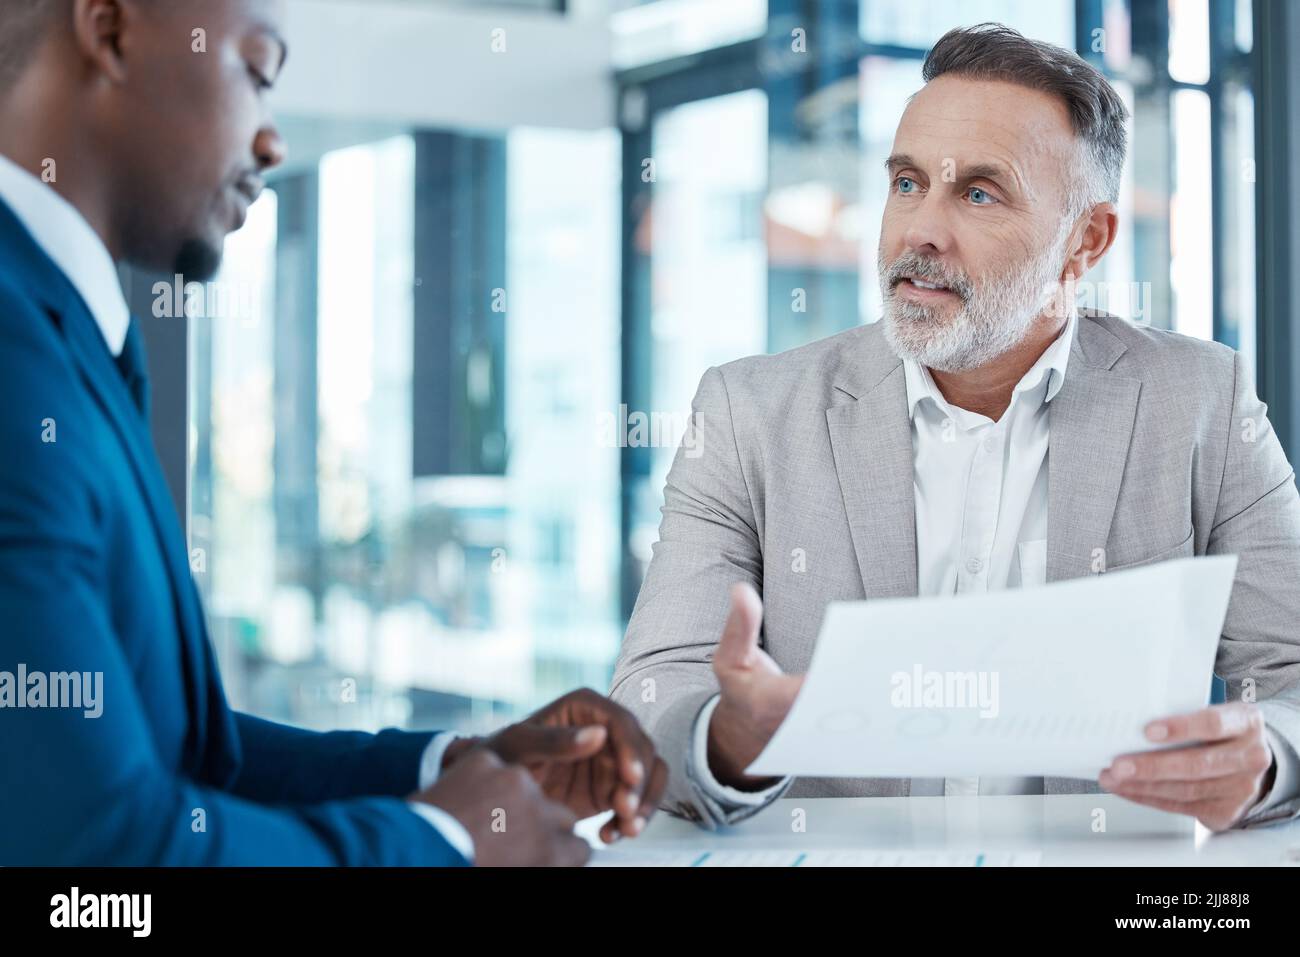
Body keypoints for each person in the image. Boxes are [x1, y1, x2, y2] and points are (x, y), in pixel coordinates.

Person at [0, 0, 665, 866]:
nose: (271, 142)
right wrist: (446, 842)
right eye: (257, 70)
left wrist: (462, 770)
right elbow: (95, 861)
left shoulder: (61, 329)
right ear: (112, 30)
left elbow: (176, 758)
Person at [611, 23, 1300, 833]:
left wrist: (1265, 760)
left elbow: (1290, 674)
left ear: (1088, 240)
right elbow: (652, 691)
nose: (918, 231)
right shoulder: (747, 413)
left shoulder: (1201, 401)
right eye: (907, 182)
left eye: (978, 193)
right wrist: (727, 739)